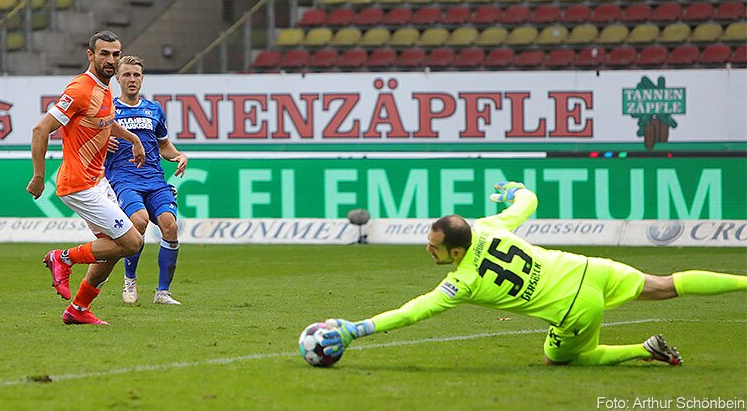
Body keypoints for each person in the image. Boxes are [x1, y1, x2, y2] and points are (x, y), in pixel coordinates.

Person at [320, 181, 747, 366]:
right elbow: (528, 202)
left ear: (455, 251)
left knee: (559, 359)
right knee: (666, 285)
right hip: (589, 269)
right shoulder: (488, 226)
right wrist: (515, 190)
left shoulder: (462, 282)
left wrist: (359, 329)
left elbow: (413, 311)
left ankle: (643, 349)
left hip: (575, 309)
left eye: (434, 246)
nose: (427, 250)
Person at [27, 30, 147, 326]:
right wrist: (39, 176)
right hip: (78, 184)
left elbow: (104, 121)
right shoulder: (80, 89)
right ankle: (62, 258)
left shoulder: (105, 88)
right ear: (90, 55)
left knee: (112, 250)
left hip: (96, 180)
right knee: (133, 242)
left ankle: (78, 309)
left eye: (116, 54)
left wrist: (133, 138)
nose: (111, 60)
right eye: (105, 53)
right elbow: (41, 129)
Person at [104, 56, 188, 306]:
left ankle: (163, 292)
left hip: (154, 179)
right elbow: (87, 140)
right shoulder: (108, 110)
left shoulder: (154, 110)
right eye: (127, 75)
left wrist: (179, 155)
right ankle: (130, 280)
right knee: (138, 221)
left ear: (142, 79)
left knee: (170, 226)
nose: (132, 79)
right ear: (117, 79)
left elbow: (164, 146)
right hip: (124, 179)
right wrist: (102, 142)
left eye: (136, 75)